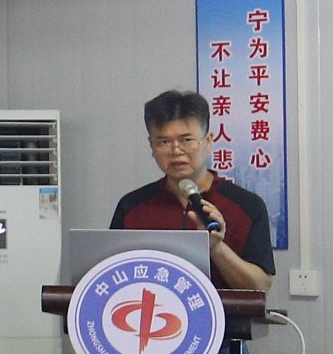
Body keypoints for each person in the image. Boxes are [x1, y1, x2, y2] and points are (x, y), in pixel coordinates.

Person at [110, 86, 274, 293]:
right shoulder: (131, 206)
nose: (176, 150)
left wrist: (216, 247)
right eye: (164, 141)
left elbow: (260, 287)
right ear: (151, 146)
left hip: (224, 315)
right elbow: (111, 275)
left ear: (208, 141)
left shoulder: (247, 206)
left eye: (186, 140)